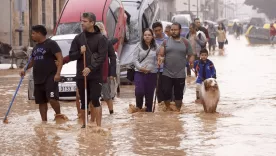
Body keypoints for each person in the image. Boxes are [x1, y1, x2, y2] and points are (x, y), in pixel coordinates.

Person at [68, 12, 108, 128]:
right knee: (83, 100)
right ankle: (84, 126)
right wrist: (80, 52)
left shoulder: (101, 38)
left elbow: (101, 57)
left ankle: (99, 127)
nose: (82, 23)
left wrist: (90, 68)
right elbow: (71, 56)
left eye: (85, 21)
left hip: (95, 75)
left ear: (92, 23)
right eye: (82, 21)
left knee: (95, 99)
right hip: (81, 75)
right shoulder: (78, 38)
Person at [20, 25, 66, 121]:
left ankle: (58, 115)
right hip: (38, 78)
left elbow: (60, 58)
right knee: (41, 102)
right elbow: (31, 61)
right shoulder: (35, 48)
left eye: (33, 33)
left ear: (39, 33)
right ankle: (44, 122)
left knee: (52, 99)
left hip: (50, 77)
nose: (32, 36)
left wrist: (58, 73)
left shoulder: (51, 44)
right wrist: (24, 69)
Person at [158, 22, 194, 112]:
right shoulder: (165, 42)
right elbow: (161, 54)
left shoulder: (186, 42)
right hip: (167, 72)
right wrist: (160, 59)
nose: (173, 32)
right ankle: (168, 109)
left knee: (178, 95)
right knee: (166, 92)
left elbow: (191, 54)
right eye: (172, 30)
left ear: (180, 30)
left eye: (175, 30)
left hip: (180, 73)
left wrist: (191, 61)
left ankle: (177, 111)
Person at [133, 28, 158, 112]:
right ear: (143, 36)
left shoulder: (156, 47)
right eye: (145, 35)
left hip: (152, 73)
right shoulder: (138, 45)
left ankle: (148, 114)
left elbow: (159, 58)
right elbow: (135, 60)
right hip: (139, 73)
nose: (147, 37)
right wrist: (140, 68)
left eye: (149, 35)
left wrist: (160, 61)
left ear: (152, 36)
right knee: (139, 92)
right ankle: (138, 109)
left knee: (149, 95)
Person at [95, 22, 117, 115]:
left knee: (107, 95)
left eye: (100, 30)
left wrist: (112, 73)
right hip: (93, 72)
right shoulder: (90, 40)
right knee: (93, 95)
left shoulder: (107, 42)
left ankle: (111, 112)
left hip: (105, 72)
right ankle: (90, 113)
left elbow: (112, 57)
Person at [152, 21, 169, 103]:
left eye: (159, 30)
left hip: (167, 69)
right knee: (158, 90)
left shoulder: (168, 39)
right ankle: (161, 108)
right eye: (156, 31)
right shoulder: (151, 41)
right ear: (153, 31)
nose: (158, 32)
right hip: (156, 69)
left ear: (162, 29)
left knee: (167, 90)